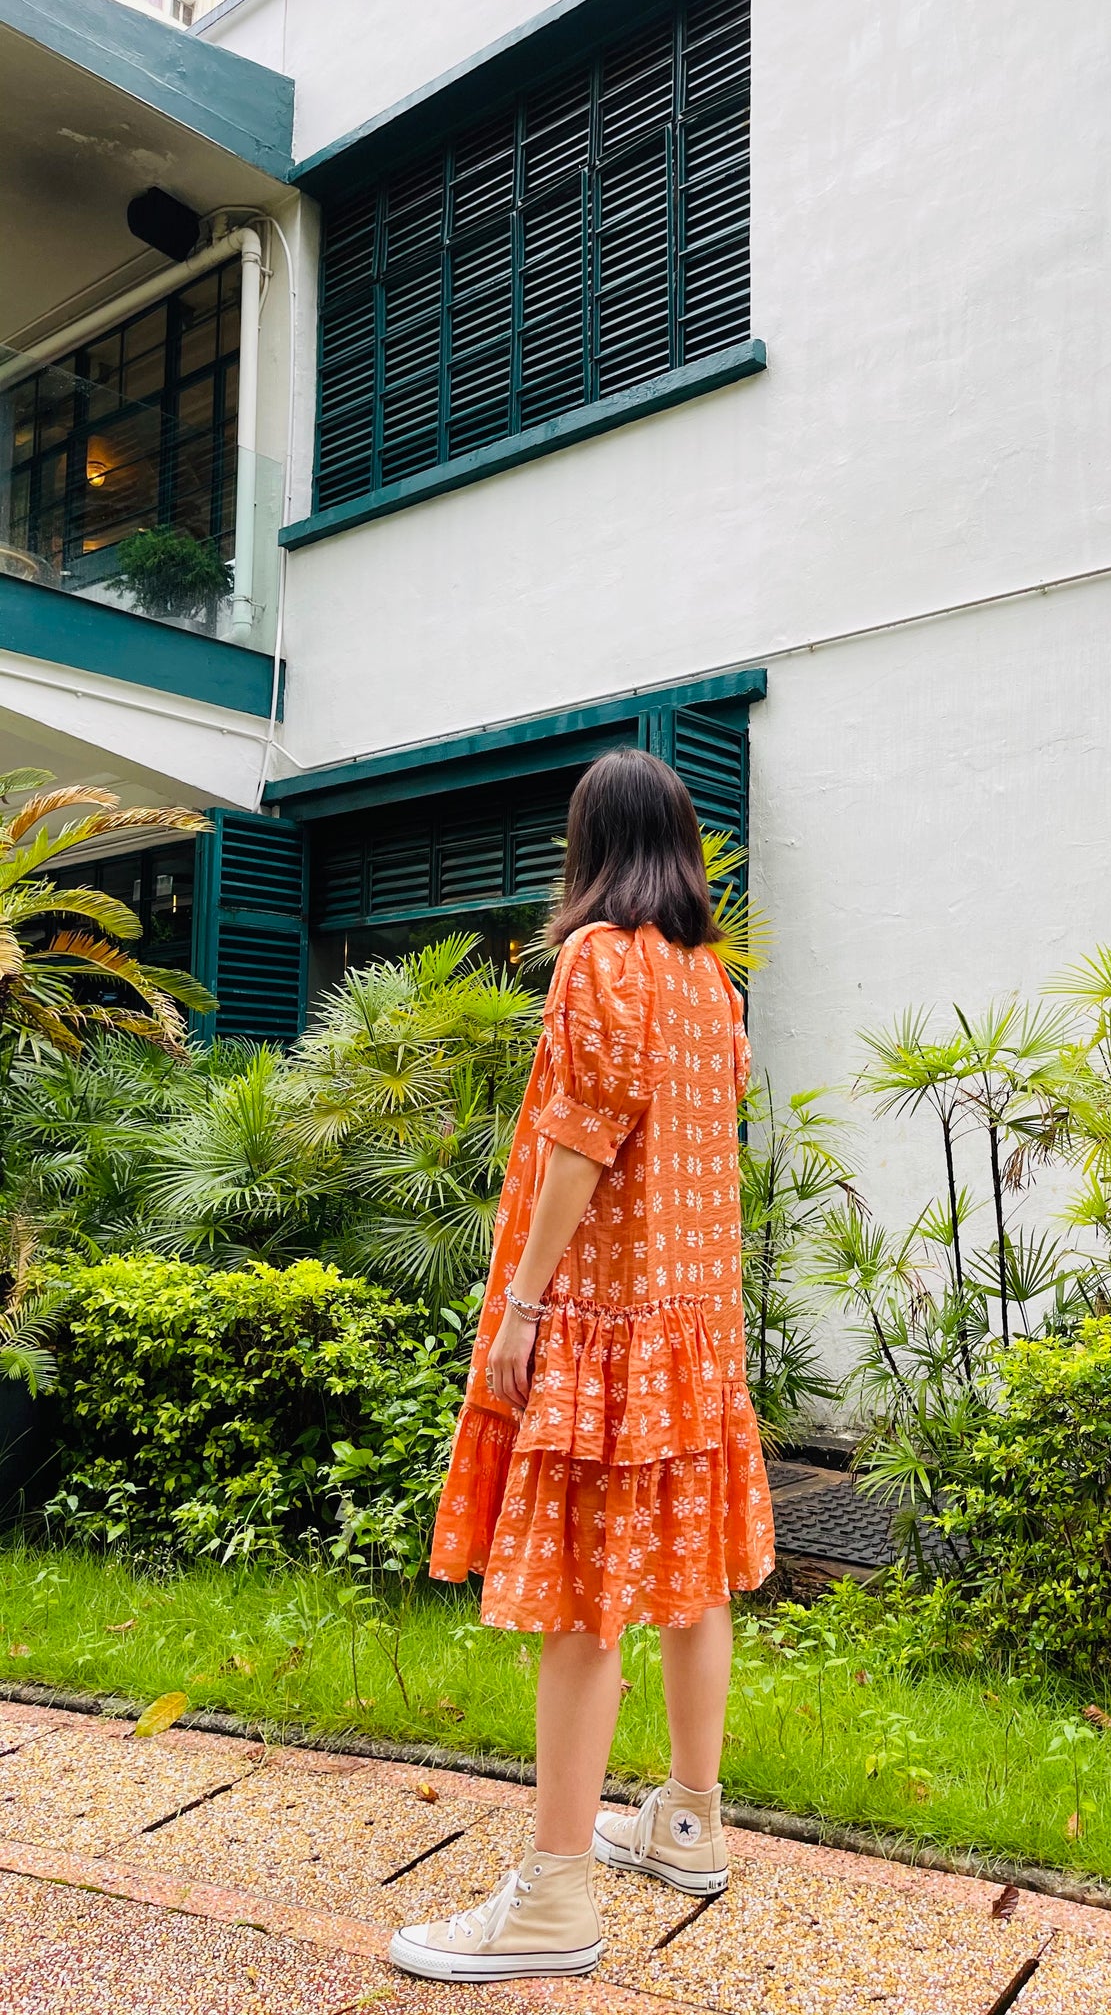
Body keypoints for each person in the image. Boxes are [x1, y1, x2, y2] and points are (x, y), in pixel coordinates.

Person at [390, 747, 775, 1985]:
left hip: (610, 1319)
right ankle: (689, 1819)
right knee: (689, 1573)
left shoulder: (599, 959)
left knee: (586, 1593)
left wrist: (520, 1303)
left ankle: (555, 1895)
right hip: (694, 1324)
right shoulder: (712, 982)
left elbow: (578, 1144)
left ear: (590, 844)